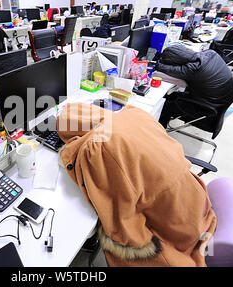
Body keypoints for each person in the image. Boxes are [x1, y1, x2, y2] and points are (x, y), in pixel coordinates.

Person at [56, 102, 217, 267]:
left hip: (176, 225)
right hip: (196, 199)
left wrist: (70, 152)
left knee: (116, 230)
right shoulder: (135, 114)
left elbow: (120, 216)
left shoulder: (98, 148)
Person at [156, 44, 233, 129]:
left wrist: (158, 61)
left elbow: (163, 68)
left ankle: (158, 132)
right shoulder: (211, 53)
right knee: (173, 94)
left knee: (164, 103)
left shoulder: (194, 68)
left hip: (207, 109)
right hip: (218, 101)